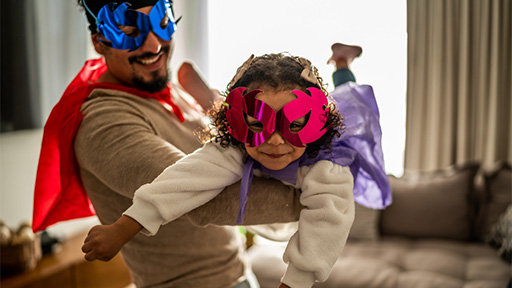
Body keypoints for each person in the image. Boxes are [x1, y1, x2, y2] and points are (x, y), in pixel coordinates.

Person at [32, 1, 304, 287]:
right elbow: (196, 197)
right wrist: (320, 198)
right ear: (100, 43)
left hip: (236, 273)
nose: (153, 46)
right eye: (129, 30)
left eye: (162, 23)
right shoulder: (103, 121)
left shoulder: (170, 93)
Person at [81, 53, 392, 288]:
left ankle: (341, 59)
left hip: (344, 128)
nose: (274, 141)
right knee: (228, 145)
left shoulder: (327, 167)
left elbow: (327, 223)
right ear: (237, 124)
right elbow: (187, 178)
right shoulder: (238, 146)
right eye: (258, 124)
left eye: (293, 125)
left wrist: (293, 283)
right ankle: (214, 103)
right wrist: (123, 227)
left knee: (350, 93)